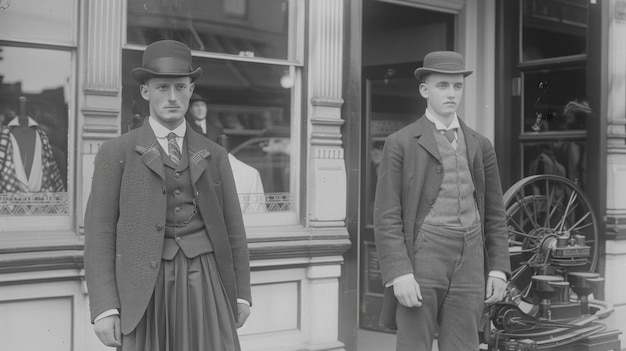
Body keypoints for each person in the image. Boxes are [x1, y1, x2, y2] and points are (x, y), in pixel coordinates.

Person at [84, 40, 251, 351]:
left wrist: (241, 292)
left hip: (206, 279)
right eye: (162, 87)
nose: (172, 97)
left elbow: (233, 231)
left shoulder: (214, 155)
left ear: (190, 90)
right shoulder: (116, 152)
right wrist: (105, 308)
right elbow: (99, 233)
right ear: (146, 91)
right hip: (144, 288)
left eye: (181, 87)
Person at [373, 51, 511, 351]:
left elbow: (496, 215)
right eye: (442, 86)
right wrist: (399, 272)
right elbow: (386, 215)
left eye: (457, 86)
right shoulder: (400, 143)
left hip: (471, 257)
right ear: (425, 90)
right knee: (414, 345)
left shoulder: (480, 144)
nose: (451, 94)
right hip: (424, 255)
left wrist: (498, 268)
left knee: (464, 344)